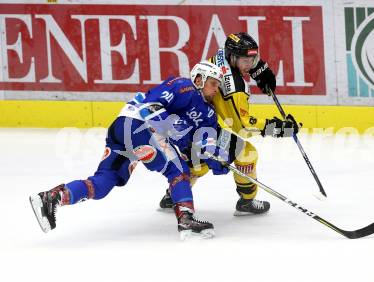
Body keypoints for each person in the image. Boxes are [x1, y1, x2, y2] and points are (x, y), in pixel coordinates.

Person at [29, 61, 230, 239]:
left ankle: (54, 197)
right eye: (213, 83)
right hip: (140, 126)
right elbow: (149, 107)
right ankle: (186, 218)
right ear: (198, 78)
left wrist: (215, 160)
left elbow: (201, 142)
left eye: (218, 85)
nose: (216, 89)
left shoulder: (208, 113)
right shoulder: (184, 86)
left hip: (121, 128)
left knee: (103, 183)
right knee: (178, 171)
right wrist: (178, 131)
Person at [159, 32, 299, 215]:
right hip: (201, 124)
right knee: (246, 153)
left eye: (253, 59)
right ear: (233, 57)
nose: (249, 63)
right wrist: (279, 128)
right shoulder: (235, 89)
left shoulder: (221, 55)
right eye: (246, 61)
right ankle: (246, 202)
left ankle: (172, 196)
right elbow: (243, 126)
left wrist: (259, 69)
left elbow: (244, 57)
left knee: (197, 164)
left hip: (190, 120)